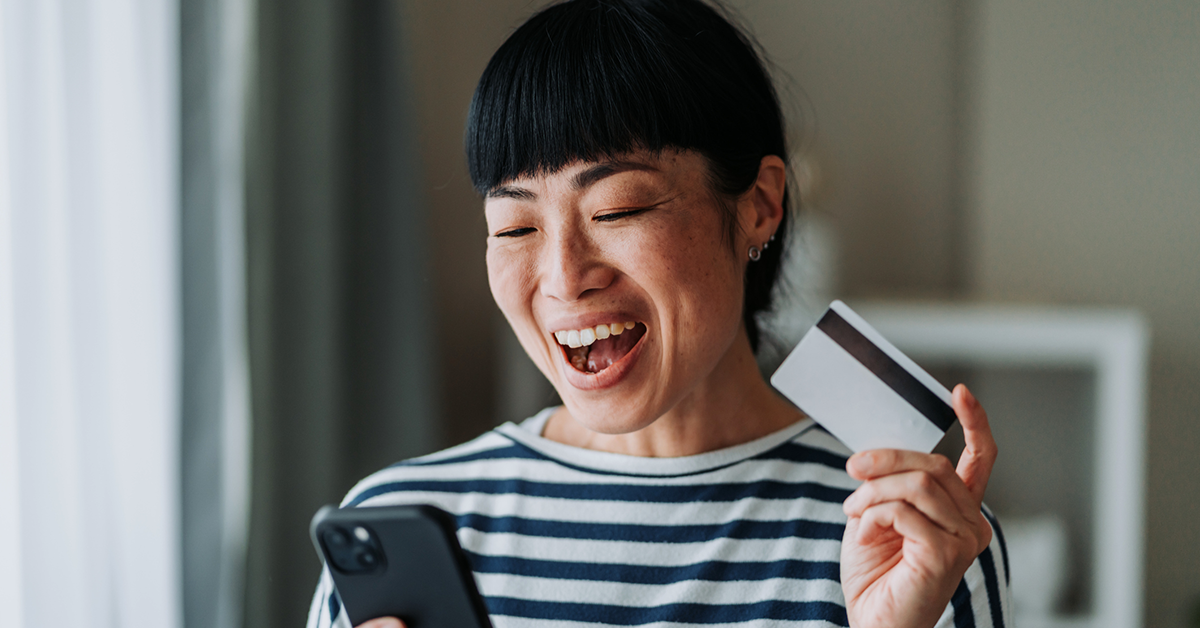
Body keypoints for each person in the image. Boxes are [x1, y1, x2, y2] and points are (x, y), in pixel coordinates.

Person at [307, 0, 1011, 626]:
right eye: (516, 228)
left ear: (760, 205)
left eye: (618, 209)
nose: (562, 278)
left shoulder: (914, 533)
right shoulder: (403, 522)